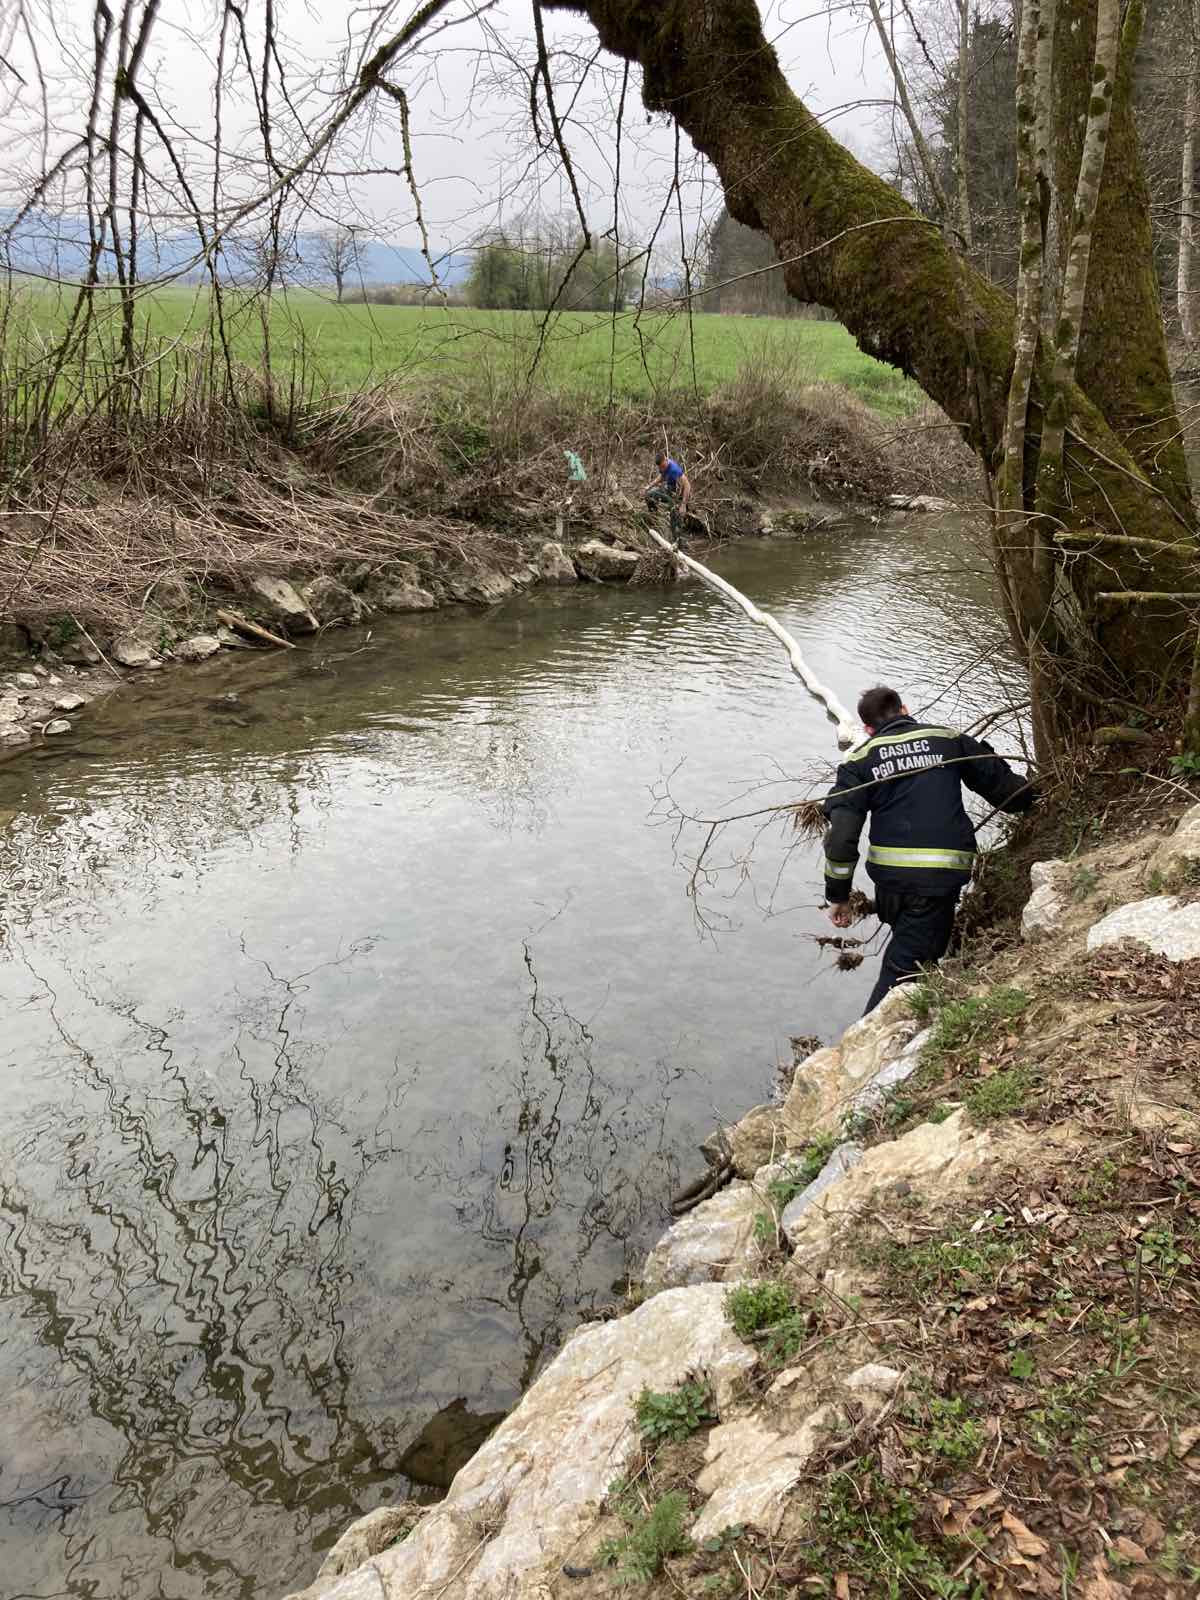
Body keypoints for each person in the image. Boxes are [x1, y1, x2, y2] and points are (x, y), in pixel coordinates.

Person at [822, 685, 1033, 1014]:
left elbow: (842, 835)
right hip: (936, 883)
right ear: (904, 709)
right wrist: (1038, 793)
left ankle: (900, 1029)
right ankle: (866, 1043)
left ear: (867, 729)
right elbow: (1007, 791)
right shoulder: (947, 739)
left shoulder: (859, 760)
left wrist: (838, 895)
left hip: (890, 886)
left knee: (910, 959)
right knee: (903, 973)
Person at [643, 450, 691, 532]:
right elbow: (661, 476)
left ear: (666, 459)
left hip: (679, 495)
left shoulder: (674, 470)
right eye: (660, 467)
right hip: (669, 490)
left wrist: (683, 504)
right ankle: (654, 517)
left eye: (663, 466)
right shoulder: (662, 466)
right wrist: (649, 486)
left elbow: (687, 485)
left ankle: (678, 537)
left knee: (674, 516)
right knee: (649, 495)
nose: (662, 468)